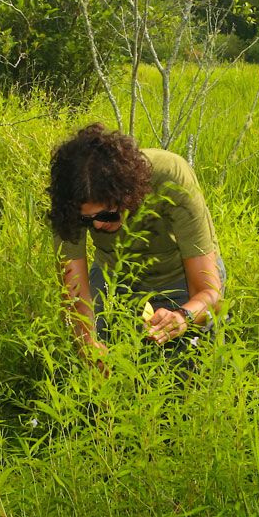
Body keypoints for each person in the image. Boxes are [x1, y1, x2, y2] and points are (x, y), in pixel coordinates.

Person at [47, 123, 225, 366]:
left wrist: (182, 317)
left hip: (178, 275)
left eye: (107, 216)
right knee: (85, 359)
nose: (97, 227)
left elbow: (209, 292)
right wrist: (88, 344)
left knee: (186, 368)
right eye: (86, 220)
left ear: (127, 195)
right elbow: (75, 293)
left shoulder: (170, 179)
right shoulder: (70, 200)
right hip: (115, 276)